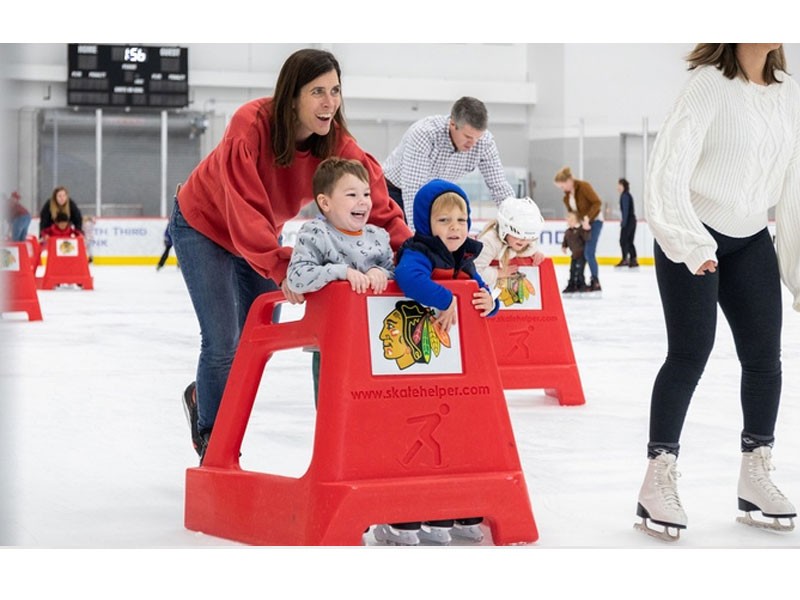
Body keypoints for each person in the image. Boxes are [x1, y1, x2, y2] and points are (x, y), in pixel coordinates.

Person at [170, 48, 411, 463]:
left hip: (259, 235)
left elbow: (376, 203)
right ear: (292, 96)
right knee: (224, 341)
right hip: (204, 226)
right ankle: (213, 436)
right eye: (317, 91)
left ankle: (204, 395)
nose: (329, 102)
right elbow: (242, 207)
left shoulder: (337, 143)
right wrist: (285, 268)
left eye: (335, 90)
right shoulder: (250, 126)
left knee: (254, 343)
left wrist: (412, 253)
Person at [636, 43, 800, 542]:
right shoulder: (708, 84)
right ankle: (657, 476)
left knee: (764, 357)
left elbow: (794, 188)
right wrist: (688, 239)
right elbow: (668, 169)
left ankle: (756, 471)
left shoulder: (789, 93)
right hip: (695, 232)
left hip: (751, 238)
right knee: (690, 354)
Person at [376, 178, 498, 546]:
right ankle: (412, 505)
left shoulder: (466, 257)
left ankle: (453, 503)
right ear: (428, 224)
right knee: (418, 429)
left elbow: (480, 292)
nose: (455, 228)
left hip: (455, 365)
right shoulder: (419, 251)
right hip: (417, 359)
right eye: (444, 221)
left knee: (455, 430)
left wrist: (491, 304)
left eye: (461, 220)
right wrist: (445, 299)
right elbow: (408, 278)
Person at [382, 96, 515, 227]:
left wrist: (516, 219)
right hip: (393, 191)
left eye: (477, 138)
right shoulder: (424, 134)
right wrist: (417, 237)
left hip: (432, 195)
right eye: (468, 137)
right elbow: (413, 190)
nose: (473, 143)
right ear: (452, 124)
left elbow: (499, 186)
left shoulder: (485, 142)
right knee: (404, 240)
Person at [474, 196, 546, 304]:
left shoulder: (523, 241)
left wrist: (536, 252)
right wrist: (499, 273)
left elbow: (528, 246)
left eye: (528, 237)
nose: (524, 240)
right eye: (518, 234)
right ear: (505, 228)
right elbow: (475, 272)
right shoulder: (489, 242)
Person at [553, 167, 603, 292]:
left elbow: (597, 203)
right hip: (582, 224)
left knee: (588, 252)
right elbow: (573, 213)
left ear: (569, 181)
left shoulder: (584, 187)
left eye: (562, 186)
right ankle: (578, 280)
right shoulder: (566, 198)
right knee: (579, 253)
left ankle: (595, 281)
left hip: (595, 221)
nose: (562, 189)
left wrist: (587, 218)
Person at [560, 211, 592, 294]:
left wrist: (587, 230)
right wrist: (564, 246)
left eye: (572, 220)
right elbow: (565, 241)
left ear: (576, 221)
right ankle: (572, 285)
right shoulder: (568, 231)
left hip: (581, 255)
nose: (569, 222)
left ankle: (581, 285)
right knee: (572, 270)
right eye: (568, 220)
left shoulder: (580, 230)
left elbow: (587, 238)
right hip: (574, 255)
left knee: (579, 270)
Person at [616, 178, 638, 268]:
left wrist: (624, 223)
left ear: (623, 186)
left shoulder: (625, 196)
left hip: (628, 221)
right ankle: (633, 259)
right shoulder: (627, 195)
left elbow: (625, 210)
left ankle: (626, 259)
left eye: (619, 185)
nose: (618, 187)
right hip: (632, 220)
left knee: (623, 240)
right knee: (629, 241)